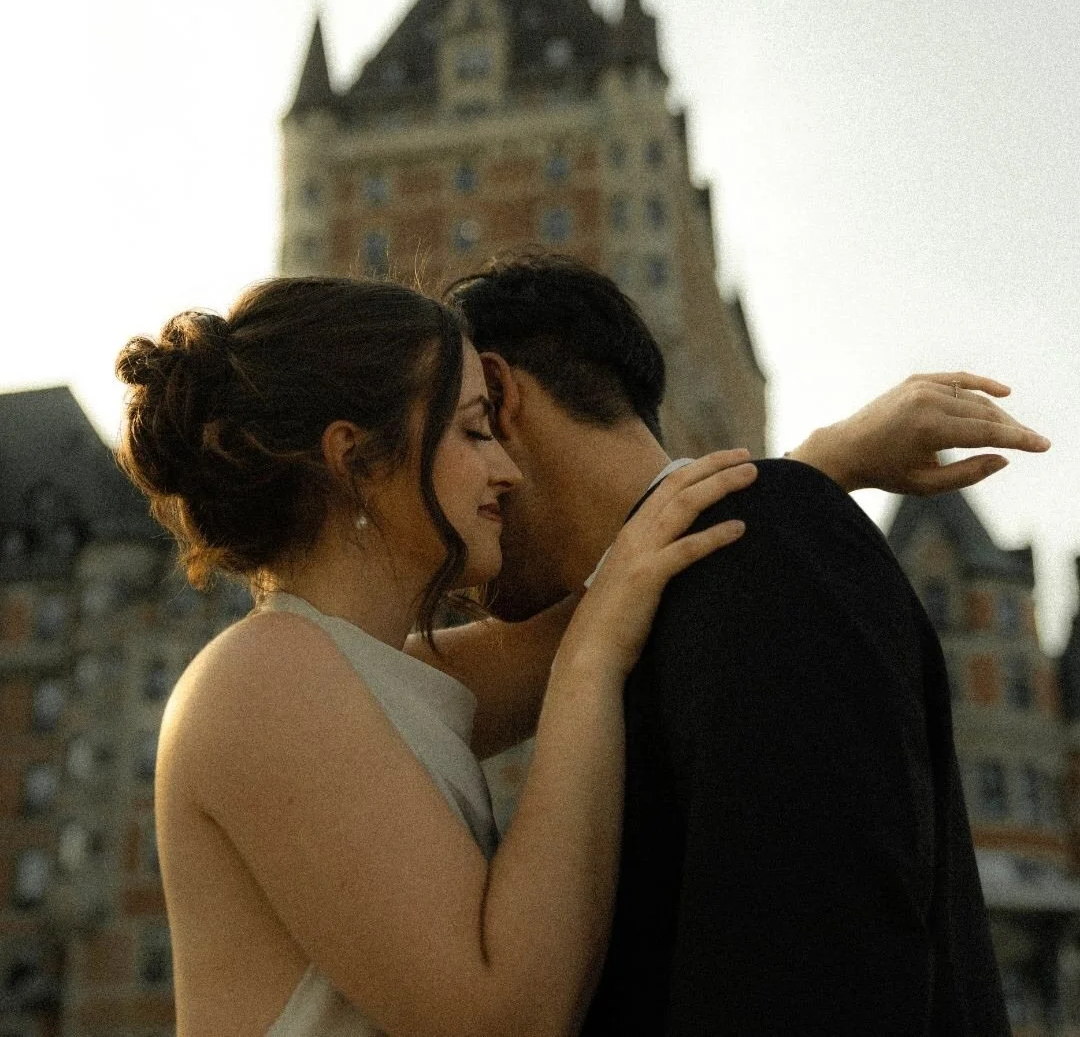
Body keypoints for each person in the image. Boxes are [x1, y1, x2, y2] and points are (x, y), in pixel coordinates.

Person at [117, 275, 756, 1037]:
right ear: (355, 460)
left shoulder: (355, 671)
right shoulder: (262, 678)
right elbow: (505, 1017)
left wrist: (814, 472)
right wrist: (590, 665)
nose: (507, 471)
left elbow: (632, 584)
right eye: (473, 430)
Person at [447, 252, 1051, 1036]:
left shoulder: (762, 549)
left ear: (499, 396)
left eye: (454, 433)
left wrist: (791, 478)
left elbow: (818, 972)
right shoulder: (681, 587)